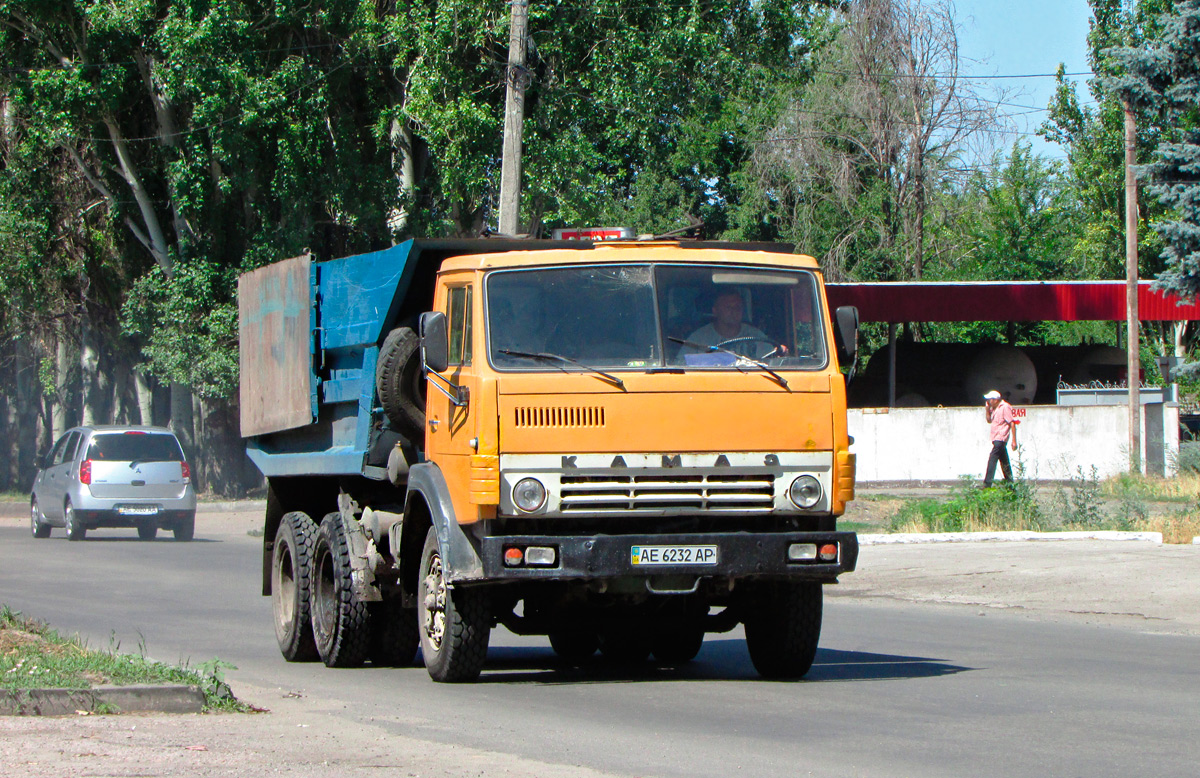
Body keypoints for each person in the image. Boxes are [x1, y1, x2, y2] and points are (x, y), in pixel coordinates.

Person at [683, 290, 774, 359]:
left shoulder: (757, 337)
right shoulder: (698, 338)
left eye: (737, 307)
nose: (734, 311)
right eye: (728, 307)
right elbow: (682, 365)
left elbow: (772, 362)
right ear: (715, 311)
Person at [983, 389, 1018, 487]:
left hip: (1001, 438)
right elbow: (989, 420)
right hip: (996, 439)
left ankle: (987, 483)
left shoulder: (1005, 407)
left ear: (996, 400)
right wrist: (987, 410)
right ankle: (1010, 484)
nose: (989, 402)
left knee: (992, 459)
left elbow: (1012, 423)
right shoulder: (994, 408)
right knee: (1004, 462)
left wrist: (1014, 441)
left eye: (990, 399)